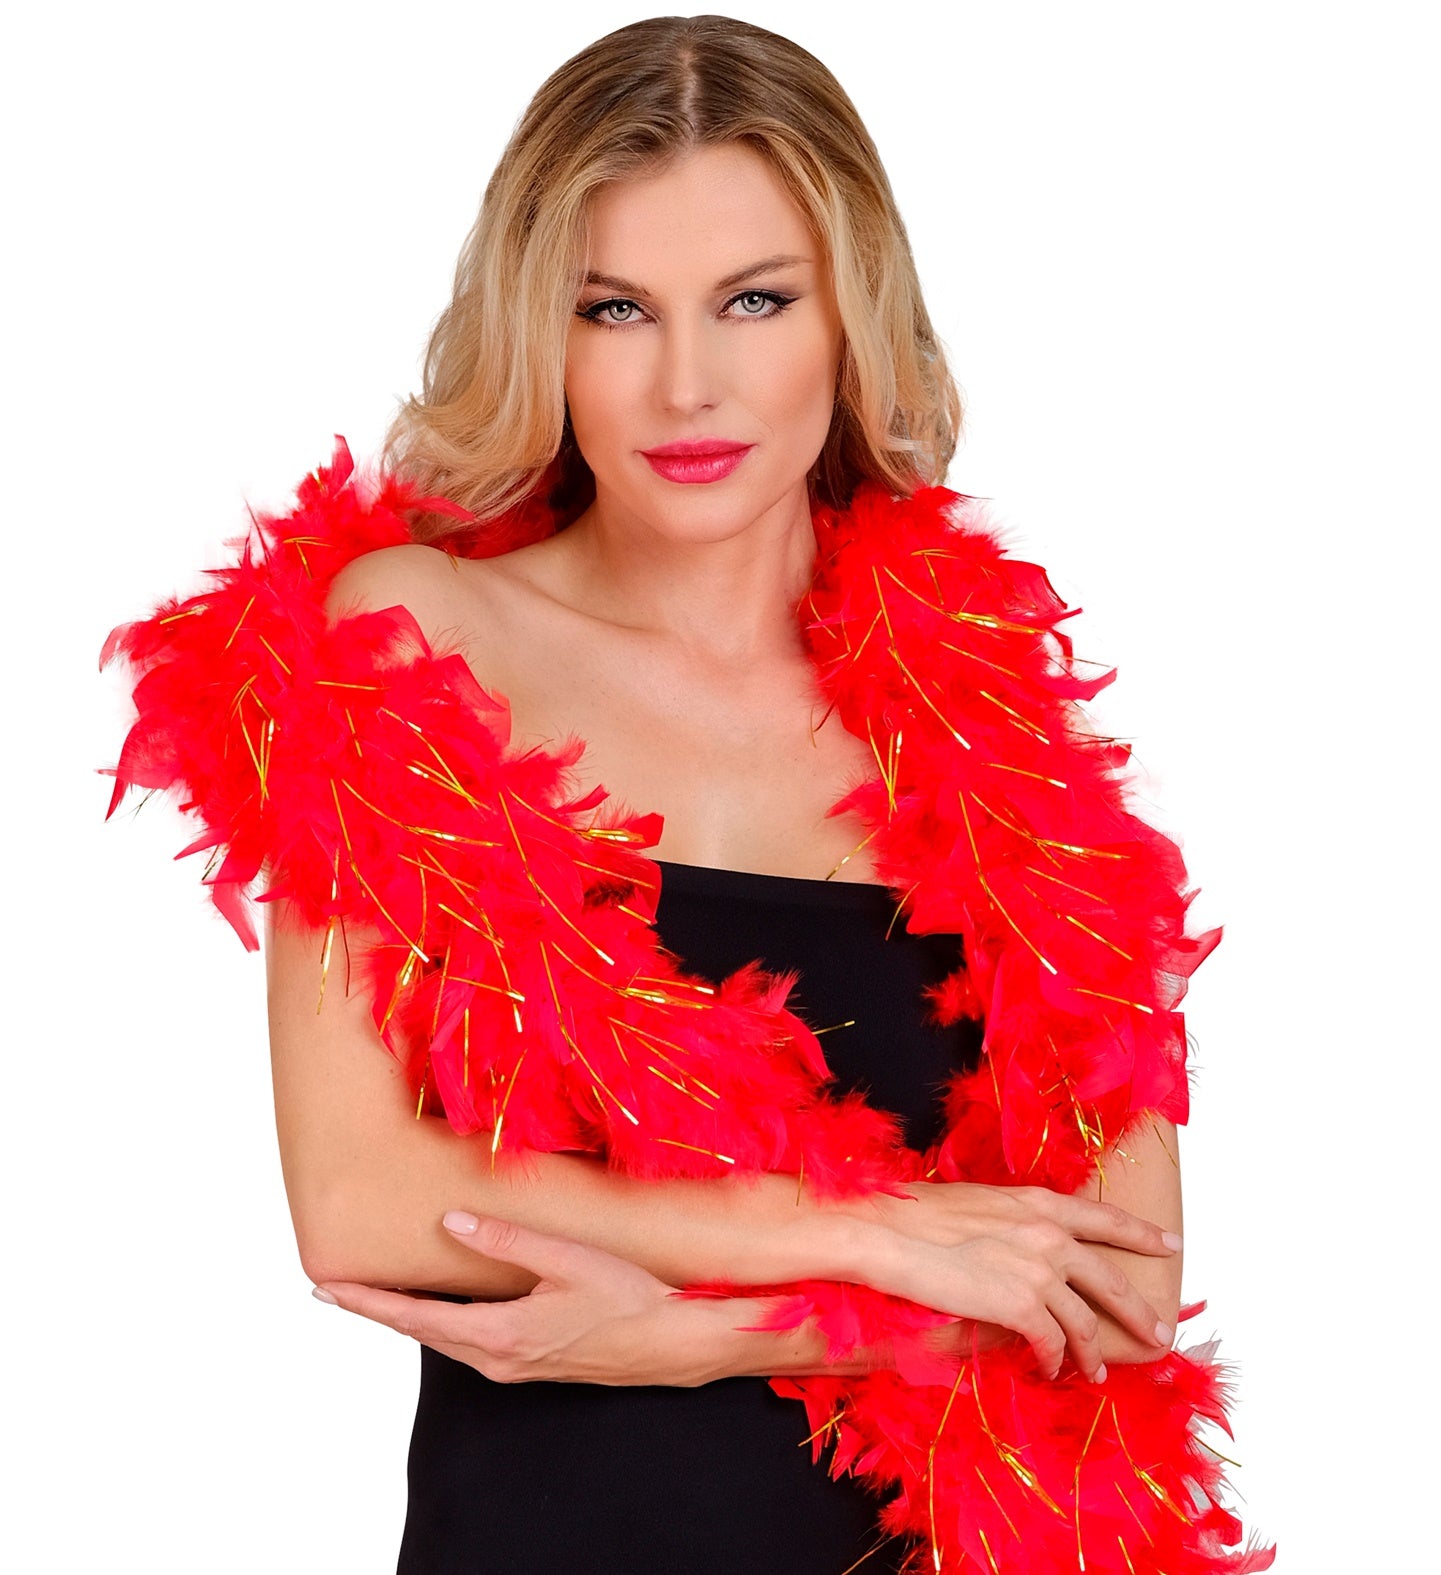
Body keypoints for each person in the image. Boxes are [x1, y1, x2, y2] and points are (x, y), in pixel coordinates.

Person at [104, 15, 1267, 1574]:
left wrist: (682, 1336)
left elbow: (1118, 1287)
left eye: (754, 300)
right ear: (540, 331)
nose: (686, 384)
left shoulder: (980, 732)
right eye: (613, 309)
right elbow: (362, 1198)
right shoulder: (412, 638)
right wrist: (862, 1234)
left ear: (850, 318)